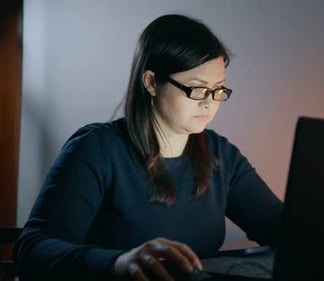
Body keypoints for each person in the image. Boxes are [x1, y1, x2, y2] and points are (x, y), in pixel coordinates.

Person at [13, 14, 283, 281]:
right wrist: (118, 263)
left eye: (218, 89)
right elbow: (33, 249)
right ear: (152, 82)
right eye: (197, 89)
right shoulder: (95, 149)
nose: (209, 103)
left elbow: (279, 227)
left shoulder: (221, 154)